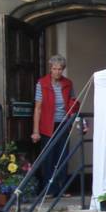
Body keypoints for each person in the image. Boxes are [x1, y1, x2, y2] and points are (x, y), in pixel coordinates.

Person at [31, 54, 81, 197]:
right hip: (47, 125)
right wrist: (35, 131)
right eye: (54, 69)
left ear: (63, 69)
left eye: (60, 69)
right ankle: (48, 189)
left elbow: (72, 100)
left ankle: (62, 188)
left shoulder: (68, 83)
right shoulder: (42, 83)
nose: (57, 72)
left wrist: (73, 113)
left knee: (63, 156)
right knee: (48, 157)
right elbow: (38, 108)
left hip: (63, 123)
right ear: (50, 69)